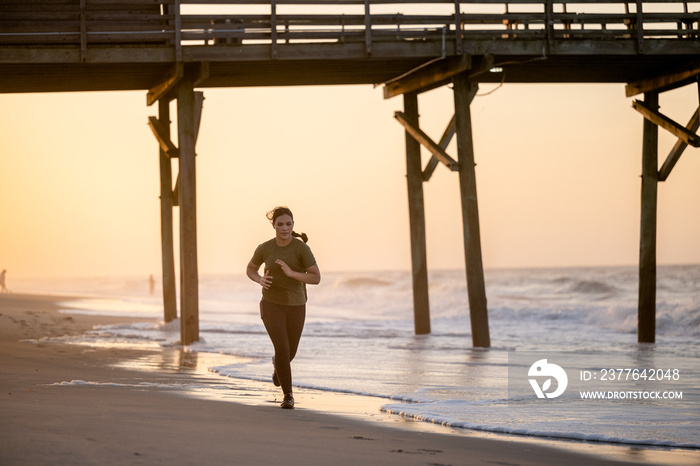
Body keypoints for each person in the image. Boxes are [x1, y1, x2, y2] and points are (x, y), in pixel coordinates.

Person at [246, 207, 321, 409]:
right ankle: (288, 396)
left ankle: (277, 366)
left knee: (290, 353)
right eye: (280, 224)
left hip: (297, 305)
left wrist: (292, 273)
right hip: (271, 304)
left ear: (293, 225)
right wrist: (260, 279)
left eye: (288, 224)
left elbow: (316, 277)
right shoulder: (265, 248)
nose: (284, 228)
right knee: (282, 348)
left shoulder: (301, 249)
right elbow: (251, 269)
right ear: (274, 226)